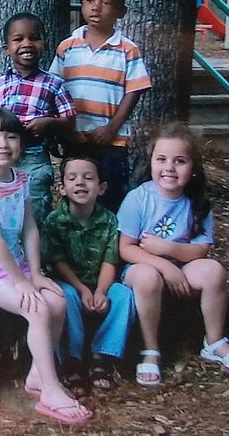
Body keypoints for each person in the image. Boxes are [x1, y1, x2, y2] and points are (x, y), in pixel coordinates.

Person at [0, 108, 92, 425]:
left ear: (21, 143)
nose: (2, 144)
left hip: (16, 263)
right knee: (38, 309)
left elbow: (29, 228)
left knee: (56, 301)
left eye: (10, 136)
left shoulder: (20, 179)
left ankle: (37, 375)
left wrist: (37, 273)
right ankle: (52, 390)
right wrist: (21, 282)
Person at [118, 123, 229, 387]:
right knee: (147, 277)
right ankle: (150, 349)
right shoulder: (138, 198)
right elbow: (126, 248)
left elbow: (200, 250)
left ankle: (214, 342)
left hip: (183, 266)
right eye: (161, 159)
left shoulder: (196, 203)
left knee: (213, 270)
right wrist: (164, 266)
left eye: (179, 161)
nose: (169, 167)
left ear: (192, 169)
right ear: (151, 163)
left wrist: (166, 248)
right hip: (142, 267)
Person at [49, 0, 151, 211]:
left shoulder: (127, 50)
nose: (96, 7)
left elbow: (134, 91)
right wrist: (59, 129)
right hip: (74, 137)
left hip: (111, 140)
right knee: (76, 190)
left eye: (106, 2)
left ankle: (108, 232)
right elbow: (55, 87)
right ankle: (76, 232)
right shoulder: (68, 46)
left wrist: (111, 128)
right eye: (89, 0)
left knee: (109, 191)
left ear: (121, 11)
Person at [41, 155, 134, 394]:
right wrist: (82, 289)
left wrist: (101, 291)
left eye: (88, 178)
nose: (80, 182)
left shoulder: (110, 220)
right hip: (70, 283)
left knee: (123, 294)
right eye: (72, 178)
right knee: (65, 296)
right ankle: (71, 360)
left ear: (101, 187)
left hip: (100, 282)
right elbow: (57, 261)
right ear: (62, 188)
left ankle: (102, 356)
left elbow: (110, 260)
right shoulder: (54, 221)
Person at [0, 13, 76, 226]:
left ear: (44, 45)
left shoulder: (54, 83)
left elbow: (70, 121)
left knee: (34, 213)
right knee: (1, 211)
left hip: (34, 158)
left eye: (34, 38)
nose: (27, 44)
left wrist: (49, 123)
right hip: (2, 158)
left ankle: (35, 248)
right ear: (6, 49)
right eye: (18, 39)